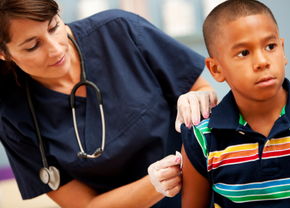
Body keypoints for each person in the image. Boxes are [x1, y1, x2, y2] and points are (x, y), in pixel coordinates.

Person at [0, 0, 218, 207]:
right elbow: (86, 205)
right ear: (4, 53)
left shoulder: (119, 30)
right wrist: (154, 184)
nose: (55, 49)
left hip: (205, 194)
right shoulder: (10, 112)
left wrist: (200, 98)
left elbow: (201, 89)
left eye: (54, 27)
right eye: (32, 46)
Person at [181, 0, 290, 207]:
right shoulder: (202, 136)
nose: (262, 61)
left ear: (283, 50)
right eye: (244, 53)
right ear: (216, 69)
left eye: (270, 46)